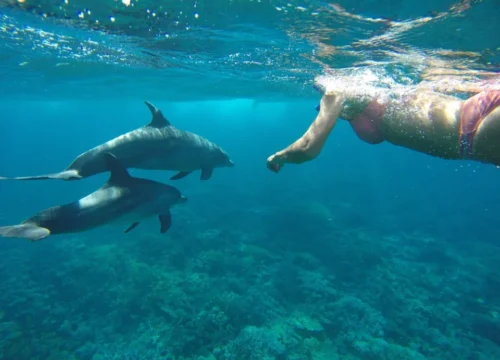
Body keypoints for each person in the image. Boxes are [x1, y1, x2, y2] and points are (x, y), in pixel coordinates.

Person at [266, 72, 500, 172]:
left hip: (474, 128)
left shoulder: (336, 90)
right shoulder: (366, 90)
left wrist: (280, 156)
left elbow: (308, 147)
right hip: (477, 124)